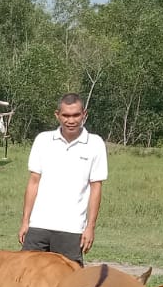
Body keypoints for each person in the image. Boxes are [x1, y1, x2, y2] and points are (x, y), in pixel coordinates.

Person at [19, 94, 108, 265]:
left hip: (72, 229)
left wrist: (90, 227)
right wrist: (25, 222)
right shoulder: (43, 140)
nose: (71, 120)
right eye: (66, 115)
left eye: (76, 115)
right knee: (25, 276)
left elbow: (96, 188)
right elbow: (33, 182)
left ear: (84, 115)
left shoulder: (95, 144)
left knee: (69, 285)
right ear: (57, 115)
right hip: (39, 225)